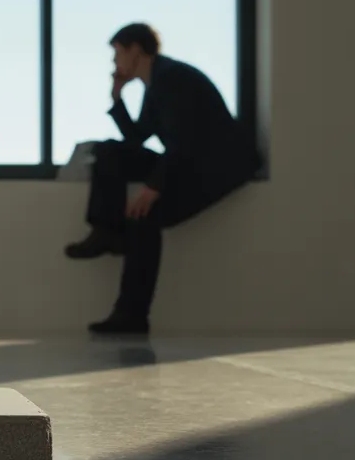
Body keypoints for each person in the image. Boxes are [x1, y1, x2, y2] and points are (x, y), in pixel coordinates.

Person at [65, 23, 262, 335]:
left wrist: (153, 187)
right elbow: (137, 139)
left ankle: (131, 315)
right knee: (109, 153)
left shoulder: (172, 79)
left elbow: (183, 142)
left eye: (117, 53)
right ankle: (107, 231)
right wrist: (117, 97)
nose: (114, 63)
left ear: (136, 51)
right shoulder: (155, 83)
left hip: (216, 168)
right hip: (190, 161)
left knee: (144, 218)